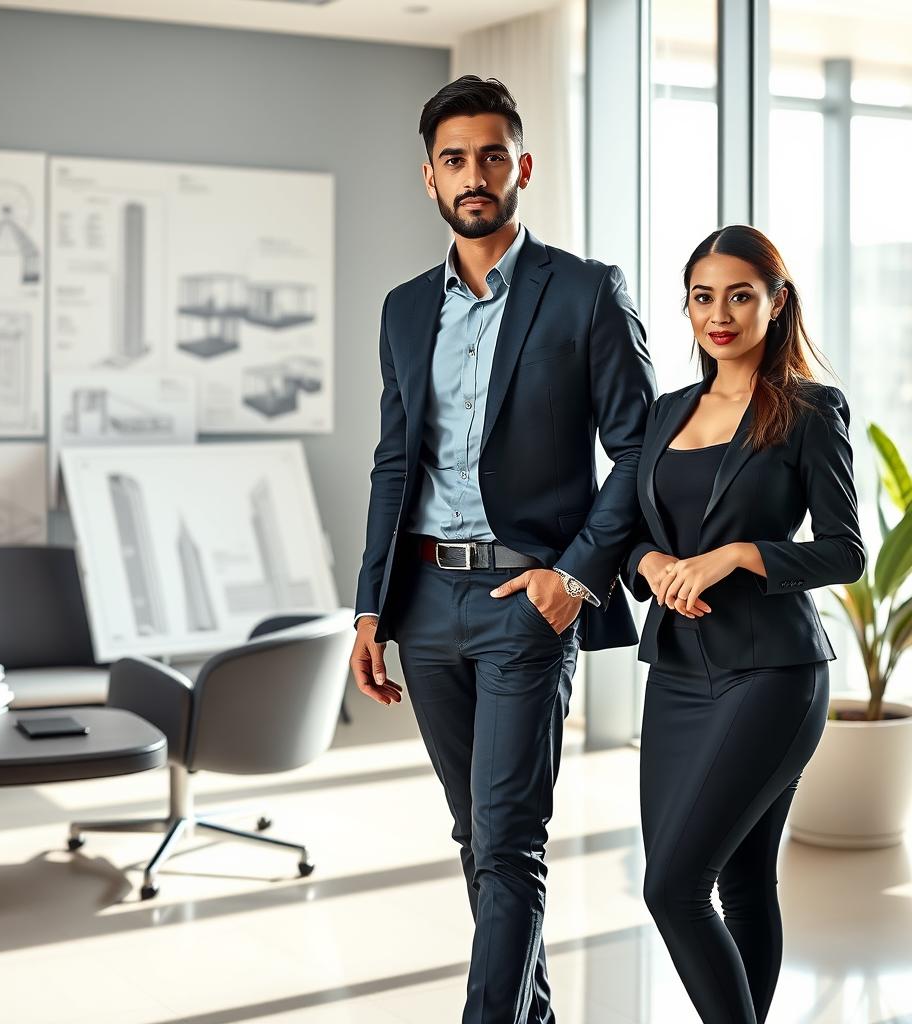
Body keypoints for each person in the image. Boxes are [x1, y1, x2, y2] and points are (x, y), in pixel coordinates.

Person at [350, 75, 657, 1024]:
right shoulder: (406, 309)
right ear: (430, 179)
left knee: (512, 835)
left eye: (491, 155)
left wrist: (573, 577)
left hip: (526, 599)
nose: (473, 175)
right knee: (473, 834)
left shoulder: (586, 292)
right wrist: (368, 607)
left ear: (522, 166)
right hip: (426, 603)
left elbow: (639, 450)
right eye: (454, 160)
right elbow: (393, 460)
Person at [621, 224, 866, 1024]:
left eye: (740, 295)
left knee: (672, 889)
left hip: (772, 674)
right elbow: (631, 536)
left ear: (776, 302)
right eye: (702, 296)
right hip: (679, 676)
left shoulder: (807, 410)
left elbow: (844, 552)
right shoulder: (665, 414)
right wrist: (650, 568)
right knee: (741, 883)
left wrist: (737, 556)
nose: (718, 313)